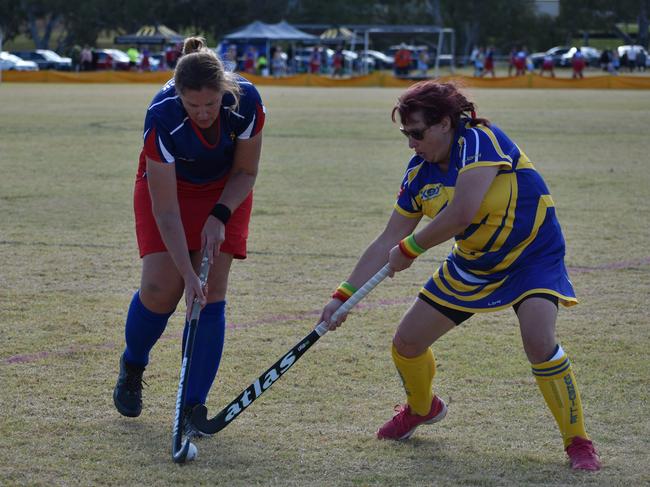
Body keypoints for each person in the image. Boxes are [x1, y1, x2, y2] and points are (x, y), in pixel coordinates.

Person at [318, 80, 601, 471]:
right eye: (405, 134)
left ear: (446, 122)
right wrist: (343, 295)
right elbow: (388, 236)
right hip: (472, 264)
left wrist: (410, 250)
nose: (411, 143)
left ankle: (578, 442)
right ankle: (422, 409)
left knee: (539, 341)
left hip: (531, 256)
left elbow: (462, 212)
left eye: (417, 133)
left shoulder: (480, 140)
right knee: (406, 343)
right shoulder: (419, 173)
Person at [112, 37, 266, 433]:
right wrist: (186, 270)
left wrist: (220, 214)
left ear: (224, 93)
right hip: (169, 190)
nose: (202, 113)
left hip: (226, 189)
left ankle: (192, 406)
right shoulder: (162, 116)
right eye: (193, 105)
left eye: (210, 105)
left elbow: (246, 172)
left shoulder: (245, 101)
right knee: (163, 287)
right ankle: (133, 364)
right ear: (178, 94)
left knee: (211, 292)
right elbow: (165, 210)